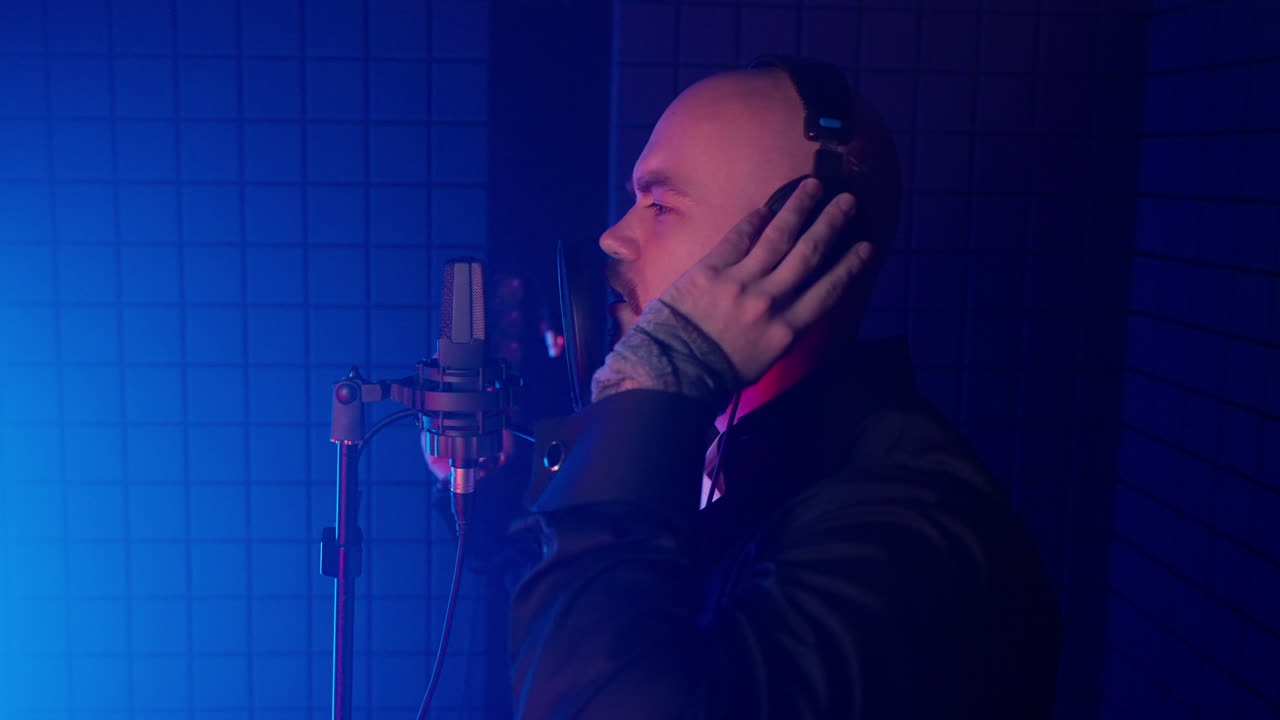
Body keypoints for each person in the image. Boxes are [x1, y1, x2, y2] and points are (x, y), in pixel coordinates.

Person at [490, 58, 1059, 718]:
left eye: (662, 205)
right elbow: (599, 612)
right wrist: (484, 497)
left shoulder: (911, 538)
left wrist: (649, 388)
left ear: (803, 241)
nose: (614, 236)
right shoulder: (727, 452)